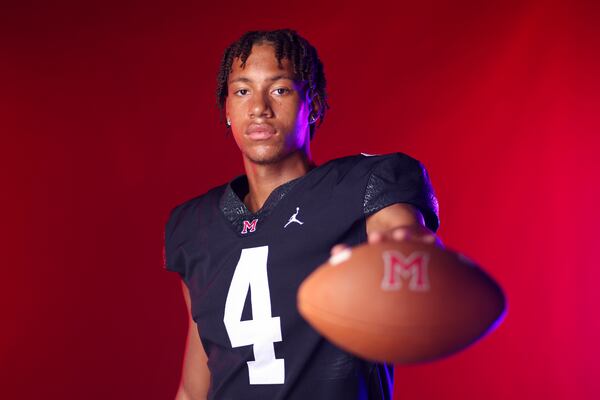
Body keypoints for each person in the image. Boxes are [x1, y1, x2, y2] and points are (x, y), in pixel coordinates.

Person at [164, 29, 440, 400]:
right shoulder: (195, 226)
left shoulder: (365, 185)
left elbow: (400, 239)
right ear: (226, 109)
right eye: (243, 91)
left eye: (280, 89)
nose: (259, 107)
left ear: (315, 102)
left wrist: (406, 253)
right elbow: (194, 389)